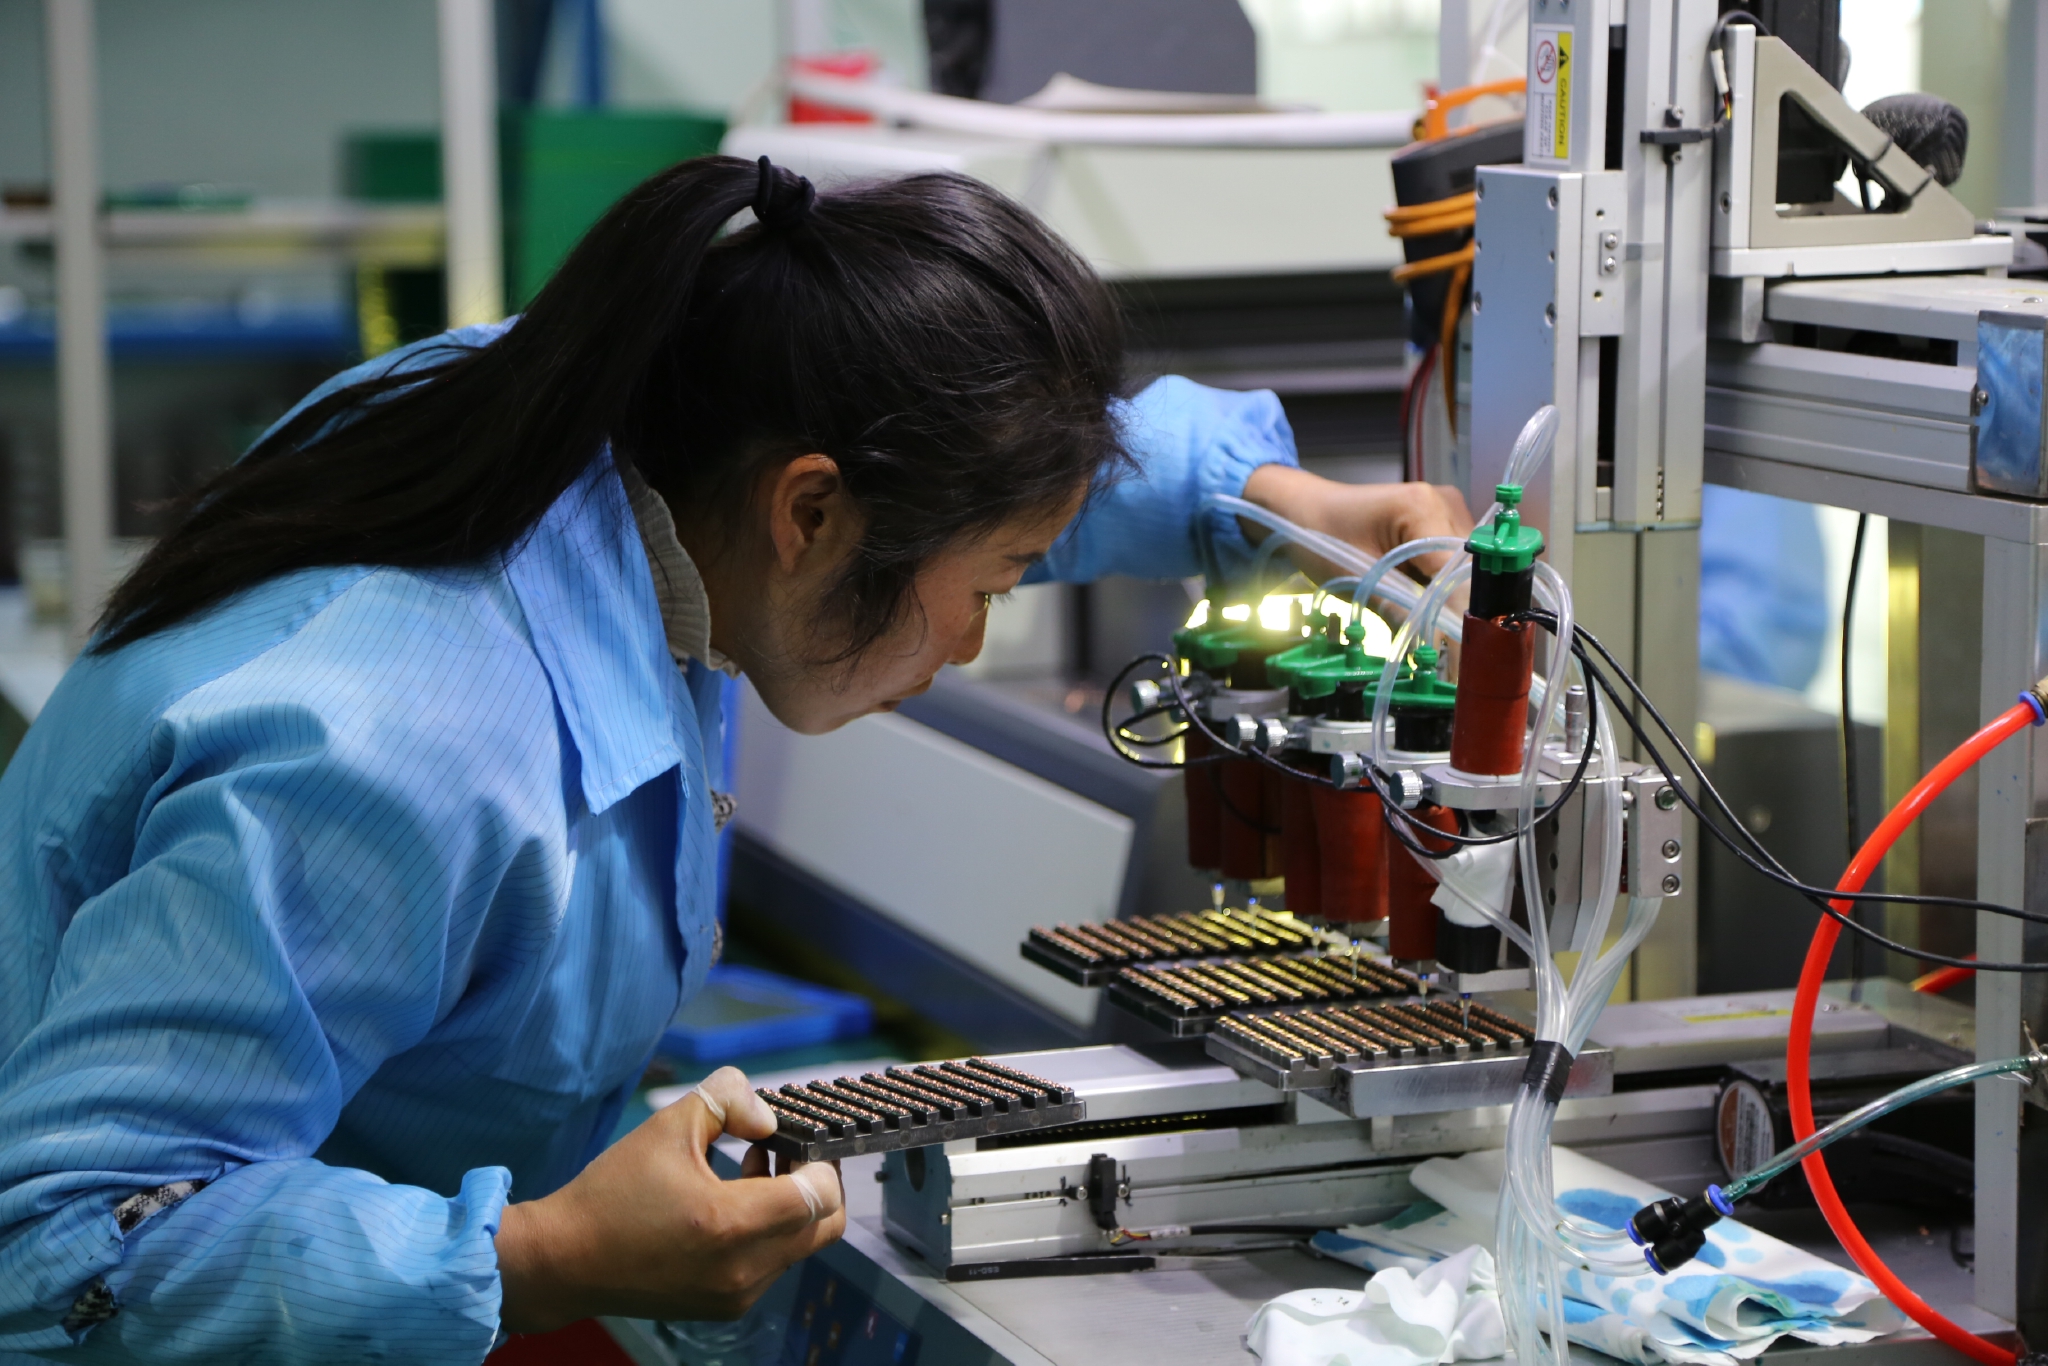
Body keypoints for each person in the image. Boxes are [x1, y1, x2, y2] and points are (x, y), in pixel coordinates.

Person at [0, 157, 1467, 1362]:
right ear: (810, 517)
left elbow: (958, 473)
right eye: (995, 587)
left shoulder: (598, 417)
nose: (974, 640)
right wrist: (543, 1257)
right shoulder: (397, 760)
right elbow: (56, 1248)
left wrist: (1257, 495)